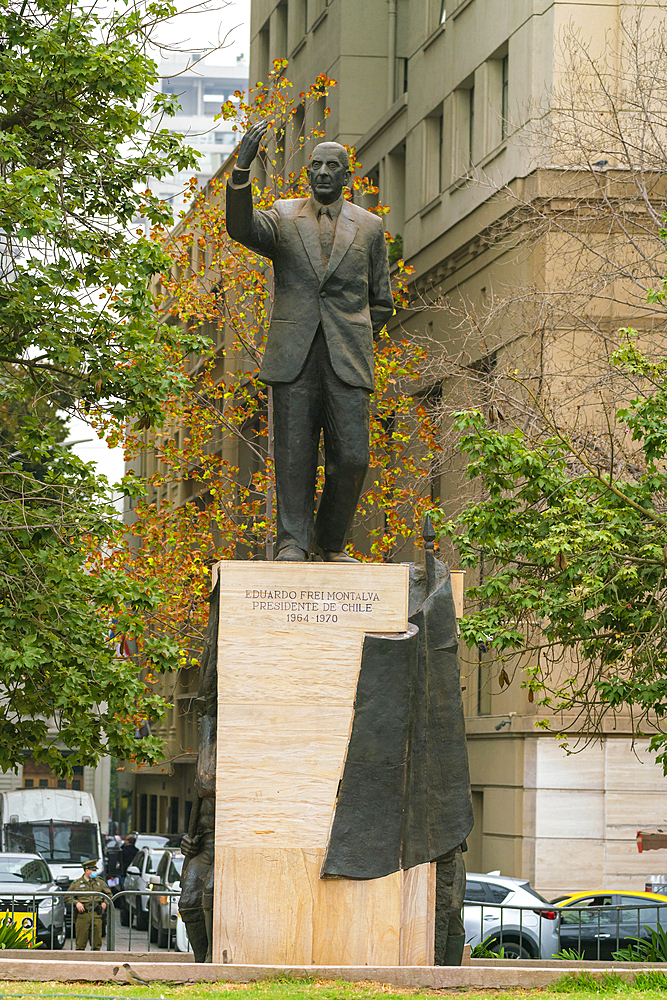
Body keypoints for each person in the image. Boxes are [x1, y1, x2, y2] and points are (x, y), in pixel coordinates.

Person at [226, 121, 394, 562]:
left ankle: (329, 541)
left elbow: (382, 301)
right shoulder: (283, 216)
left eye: (330, 166)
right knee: (294, 455)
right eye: (315, 165)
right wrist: (242, 169)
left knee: (353, 457)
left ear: (345, 176)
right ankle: (293, 542)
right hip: (293, 354)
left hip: (347, 356)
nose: (321, 172)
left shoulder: (371, 227)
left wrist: (352, 333)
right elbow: (241, 228)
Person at [68, 859, 112, 951]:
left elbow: (109, 894)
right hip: (82, 915)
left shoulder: (99, 882)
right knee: (80, 943)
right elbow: (67, 897)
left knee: (96, 943)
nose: (95, 872)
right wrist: (77, 903)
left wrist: (105, 902)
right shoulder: (77, 883)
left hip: (96, 914)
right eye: (93, 870)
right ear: (87, 871)